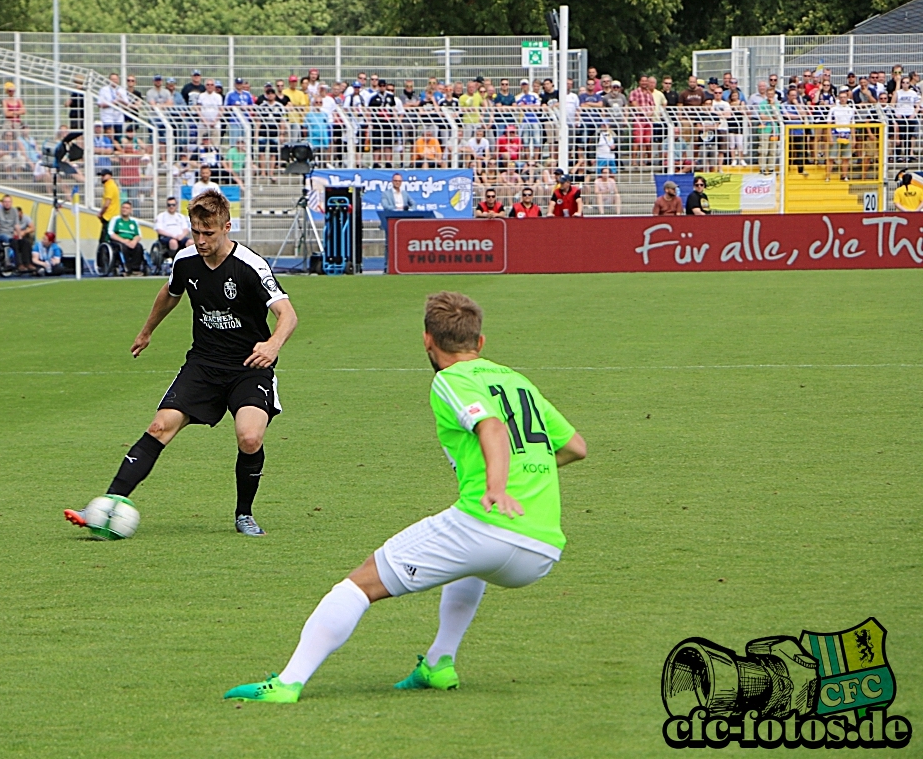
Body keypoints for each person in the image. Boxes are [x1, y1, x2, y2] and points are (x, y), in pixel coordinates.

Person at [223, 292, 586, 704]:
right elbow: (576, 447)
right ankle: (439, 664)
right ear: (481, 343)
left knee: (358, 585)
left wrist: (497, 487)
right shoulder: (516, 379)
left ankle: (288, 682)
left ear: (427, 340)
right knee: (467, 564)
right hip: (541, 547)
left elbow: (493, 429)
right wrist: (526, 474)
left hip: (488, 522)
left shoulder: (450, 379)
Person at [63, 189, 299, 538]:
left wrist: (273, 344)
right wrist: (146, 332)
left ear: (226, 227)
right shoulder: (186, 261)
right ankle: (109, 503)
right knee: (159, 426)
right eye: (196, 232)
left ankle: (244, 515)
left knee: (250, 437)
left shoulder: (250, 265)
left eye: (209, 233)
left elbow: (287, 313)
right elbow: (170, 293)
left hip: (248, 365)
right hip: (203, 364)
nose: (201, 240)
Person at [105, 200, 146, 275]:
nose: (124, 209)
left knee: (139, 247)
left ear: (130, 210)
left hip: (131, 241)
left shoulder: (134, 221)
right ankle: (126, 268)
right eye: (123, 207)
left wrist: (134, 241)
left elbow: (139, 235)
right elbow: (111, 233)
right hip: (119, 241)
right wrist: (123, 241)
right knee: (122, 247)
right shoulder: (115, 219)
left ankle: (135, 269)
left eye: (127, 208)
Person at [0, 194, 35, 271]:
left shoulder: (25, 218)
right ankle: (19, 264)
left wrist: (23, 233)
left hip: (18, 236)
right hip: (8, 236)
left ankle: (28, 263)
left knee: (26, 242)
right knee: (14, 243)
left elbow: (32, 228)